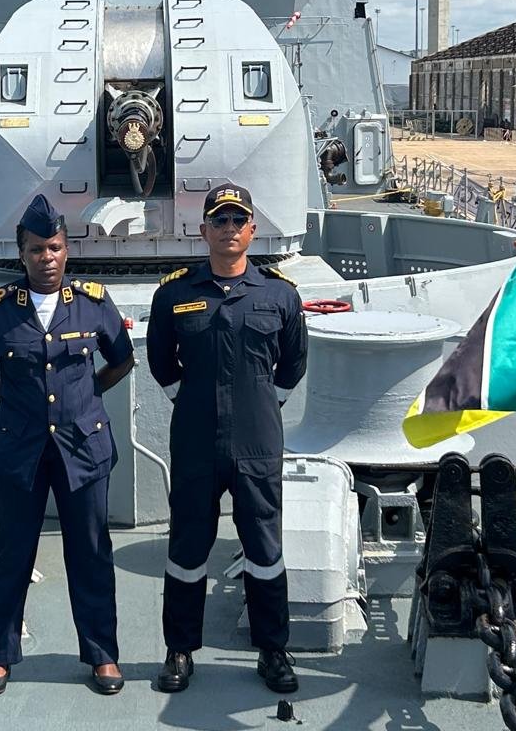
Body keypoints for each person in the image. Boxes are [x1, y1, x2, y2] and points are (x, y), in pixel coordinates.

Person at [0, 194, 135, 697]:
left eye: (54, 248)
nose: (47, 258)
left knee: (91, 551)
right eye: (37, 249)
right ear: (22, 253)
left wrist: (87, 394)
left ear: (66, 250)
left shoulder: (93, 303)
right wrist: (11, 398)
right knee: (11, 551)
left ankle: (102, 654)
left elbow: (121, 360)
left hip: (83, 448)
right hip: (20, 449)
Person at [147, 182, 309, 694]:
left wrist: (262, 404)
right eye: (220, 220)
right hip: (196, 440)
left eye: (238, 220)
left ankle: (273, 650)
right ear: (204, 230)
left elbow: (293, 363)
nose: (229, 228)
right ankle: (179, 650)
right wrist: (190, 400)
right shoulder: (174, 294)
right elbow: (160, 361)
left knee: (264, 546)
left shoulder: (279, 295)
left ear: (252, 230)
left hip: (258, 441)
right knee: (187, 545)